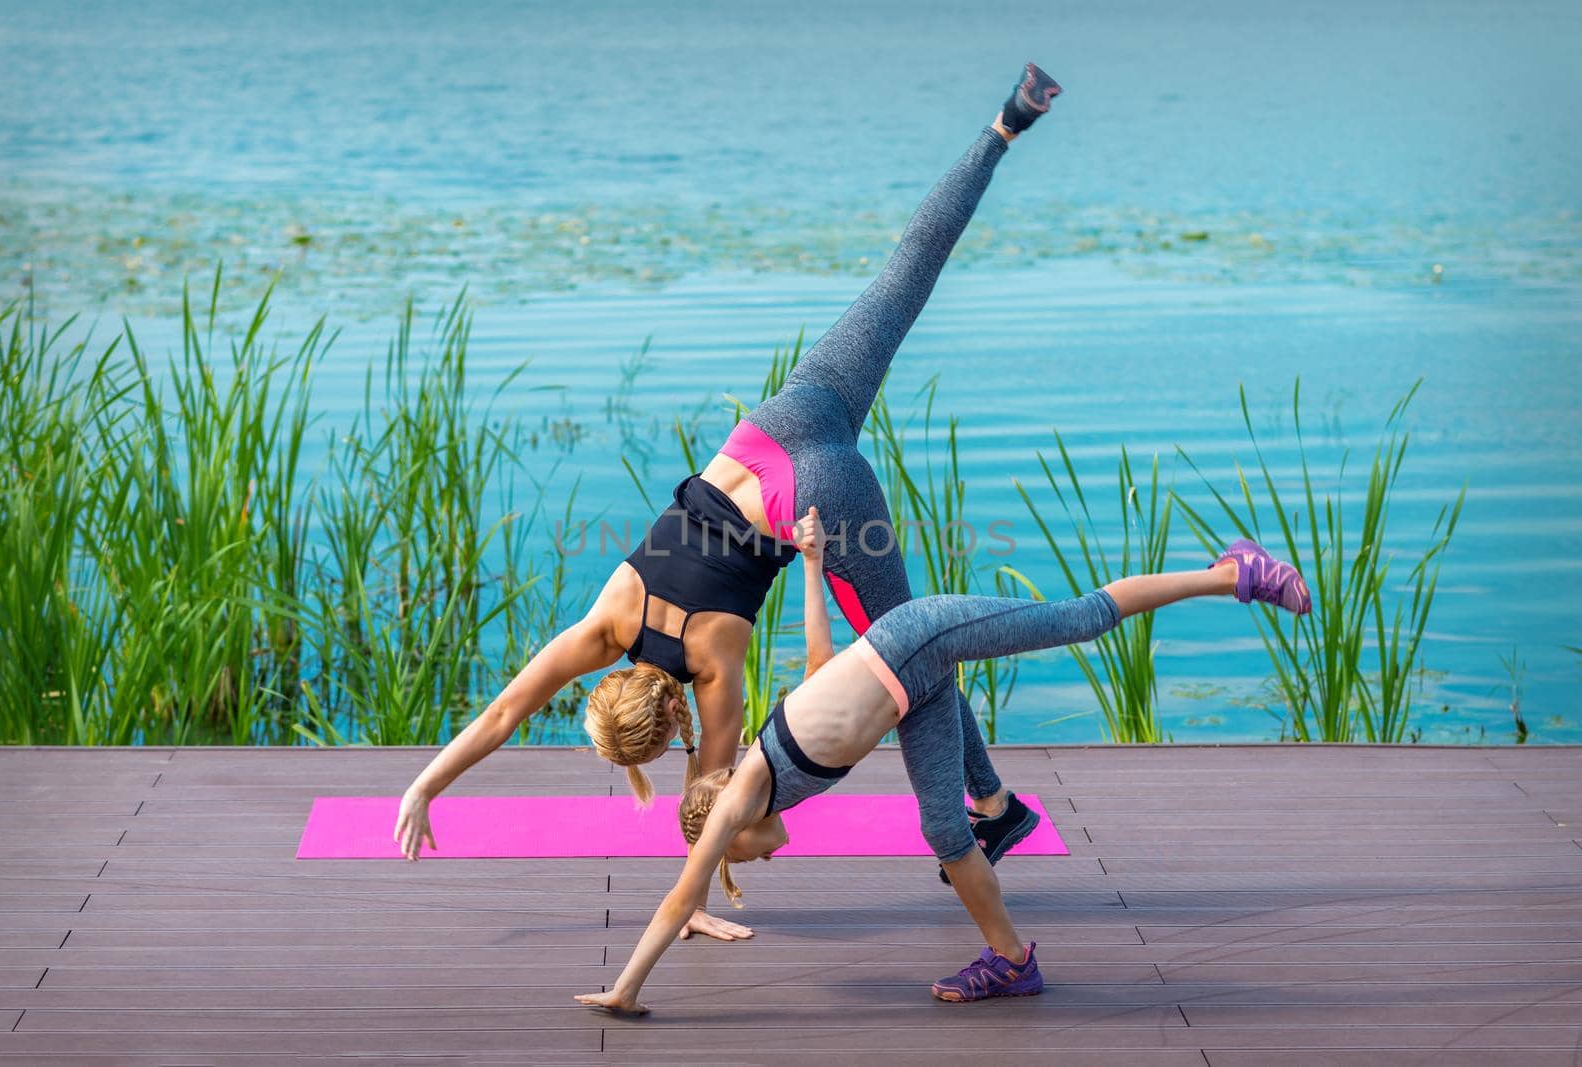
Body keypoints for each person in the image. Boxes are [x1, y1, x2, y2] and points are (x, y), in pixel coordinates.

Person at [393, 64, 1066, 937]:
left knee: (914, 661)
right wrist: (420, 783)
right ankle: (1007, 125)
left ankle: (990, 808)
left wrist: (697, 905)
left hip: (820, 501)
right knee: (905, 278)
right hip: (781, 422)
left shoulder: (713, 674)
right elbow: (503, 708)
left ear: (661, 726)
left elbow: (712, 808)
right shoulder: (608, 619)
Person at [575, 536, 1310, 1012]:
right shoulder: (771, 768)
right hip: (913, 689)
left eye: (739, 857)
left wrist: (625, 989)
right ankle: (1012, 959)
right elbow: (820, 665)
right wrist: (809, 562)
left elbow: (680, 896)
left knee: (1078, 618)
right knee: (941, 826)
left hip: (918, 638)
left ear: (724, 831)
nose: (759, 857)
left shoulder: (740, 793)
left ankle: (1231, 574)